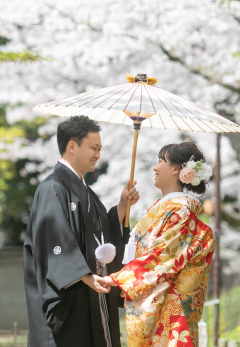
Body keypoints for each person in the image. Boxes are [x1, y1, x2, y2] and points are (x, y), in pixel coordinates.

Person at [23, 115, 140, 347]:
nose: (98, 154)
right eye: (93, 148)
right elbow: (54, 241)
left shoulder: (86, 192)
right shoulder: (52, 188)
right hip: (72, 299)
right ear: (72, 146)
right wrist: (84, 276)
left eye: (100, 149)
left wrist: (122, 206)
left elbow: (100, 232)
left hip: (93, 294)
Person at [100, 142, 216, 347]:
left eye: (161, 161)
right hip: (158, 302)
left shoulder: (181, 210)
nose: (155, 167)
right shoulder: (166, 208)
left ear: (176, 169)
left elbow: (162, 257)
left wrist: (118, 278)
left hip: (170, 309)